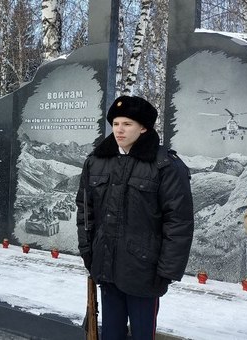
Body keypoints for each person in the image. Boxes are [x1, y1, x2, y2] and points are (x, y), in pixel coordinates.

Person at [75, 96, 194, 340]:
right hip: (106, 267)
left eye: (127, 124)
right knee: (110, 335)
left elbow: (179, 221)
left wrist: (166, 271)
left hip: (145, 271)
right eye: (116, 123)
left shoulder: (165, 166)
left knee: (142, 335)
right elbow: (85, 210)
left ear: (144, 128)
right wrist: (89, 251)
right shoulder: (96, 161)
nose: (119, 129)